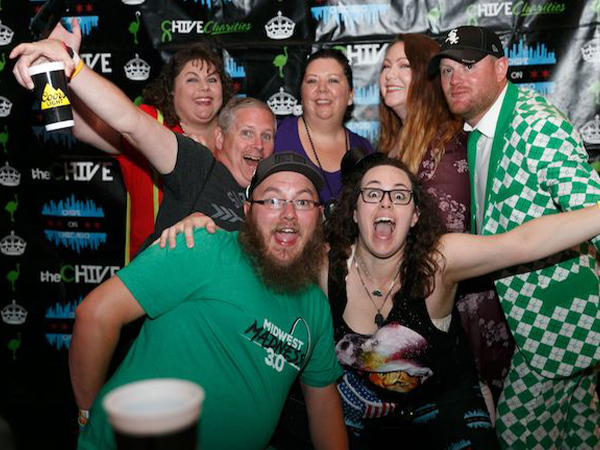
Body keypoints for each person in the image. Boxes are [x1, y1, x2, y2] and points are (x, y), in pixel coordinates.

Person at [159, 153, 600, 449]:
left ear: (414, 214)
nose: (385, 202)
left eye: (399, 195)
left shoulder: (439, 261)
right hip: (355, 412)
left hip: (442, 405)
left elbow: (521, 243)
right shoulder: (324, 263)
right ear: (354, 211)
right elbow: (267, 246)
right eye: (372, 193)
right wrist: (207, 227)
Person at [67, 152, 347, 450]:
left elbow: (324, 403)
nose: (289, 214)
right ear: (248, 211)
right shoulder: (202, 246)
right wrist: (88, 415)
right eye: (273, 200)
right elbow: (96, 315)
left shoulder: (315, 305)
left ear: (319, 217)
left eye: (303, 202)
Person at [428, 25, 600, 448]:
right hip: (540, 324)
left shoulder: (536, 125)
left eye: (469, 65)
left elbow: (594, 211)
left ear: (502, 68)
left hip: (562, 323)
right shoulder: (481, 129)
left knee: (516, 435)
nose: (455, 79)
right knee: (579, 436)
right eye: (447, 70)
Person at [378, 33, 513, 409]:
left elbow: (442, 245)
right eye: (386, 66)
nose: (389, 74)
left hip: (459, 322)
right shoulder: (390, 145)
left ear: (427, 77)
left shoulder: (446, 144)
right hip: (410, 317)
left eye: (404, 65)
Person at [50, 20, 234, 261]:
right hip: (152, 269)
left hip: (215, 267)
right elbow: (83, 127)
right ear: (171, 89)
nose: (204, 88)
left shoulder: (237, 135)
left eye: (212, 80)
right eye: (192, 79)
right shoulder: (150, 122)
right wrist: (60, 69)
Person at [274, 48, 373, 213]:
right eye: (312, 81)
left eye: (333, 80)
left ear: (350, 95)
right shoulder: (275, 136)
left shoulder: (364, 149)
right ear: (301, 93)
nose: (322, 89)